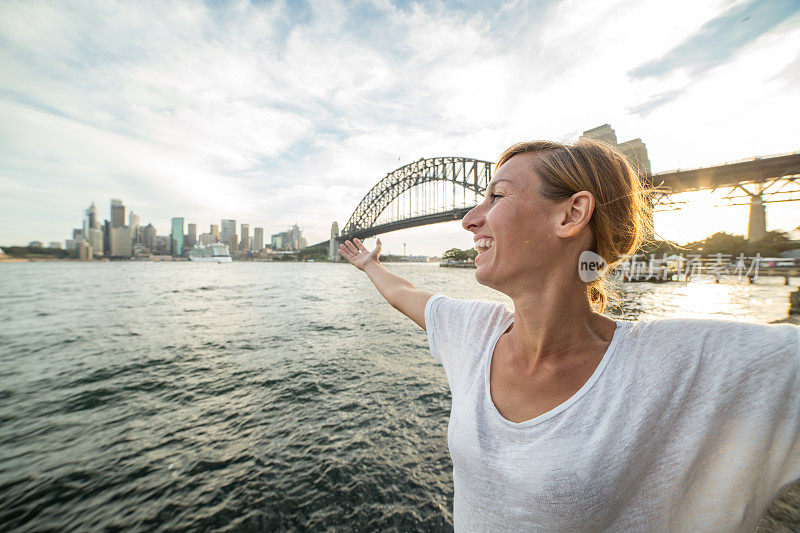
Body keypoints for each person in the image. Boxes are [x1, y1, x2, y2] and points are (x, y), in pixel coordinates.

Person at [338, 138, 800, 532]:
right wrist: (369, 264)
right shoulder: (473, 333)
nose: (469, 219)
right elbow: (406, 293)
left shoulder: (673, 363)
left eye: (496, 197)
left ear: (572, 214)